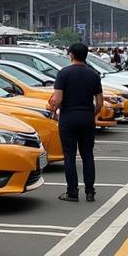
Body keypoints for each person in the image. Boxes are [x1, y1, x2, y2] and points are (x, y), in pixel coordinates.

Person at [48, 42, 104, 202]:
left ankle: (72, 192)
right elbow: (99, 102)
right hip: (87, 118)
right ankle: (90, 191)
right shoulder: (93, 75)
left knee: (69, 155)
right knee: (87, 155)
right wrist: (92, 113)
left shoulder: (63, 73)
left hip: (68, 118)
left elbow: (57, 99)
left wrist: (54, 109)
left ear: (71, 55)